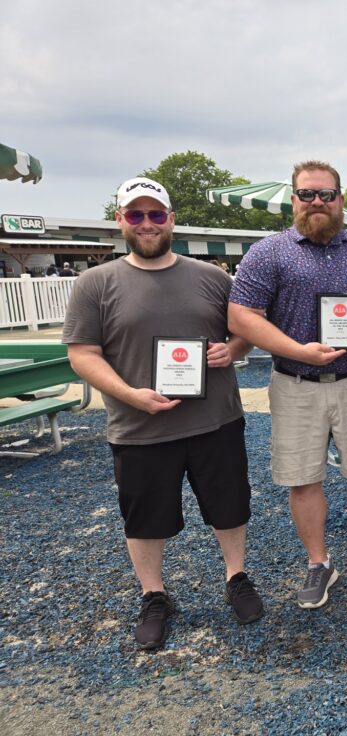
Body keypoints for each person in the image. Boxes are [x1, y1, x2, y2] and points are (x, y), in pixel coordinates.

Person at [62, 176, 263, 651]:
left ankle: (236, 577)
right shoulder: (96, 283)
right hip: (139, 426)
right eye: (136, 214)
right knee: (144, 517)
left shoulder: (213, 277)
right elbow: (83, 353)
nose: (147, 223)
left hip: (215, 419)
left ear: (171, 219)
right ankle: (153, 595)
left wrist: (233, 349)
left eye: (155, 214)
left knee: (230, 505)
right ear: (120, 221)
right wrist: (129, 394)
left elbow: (247, 331)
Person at [228, 160, 347, 610]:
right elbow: (241, 316)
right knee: (302, 478)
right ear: (294, 199)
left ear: (341, 199)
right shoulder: (268, 252)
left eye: (326, 194)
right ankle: (318, 562)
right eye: (307, 194)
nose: (317, 201)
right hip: (295, 381)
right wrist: (298, 350)